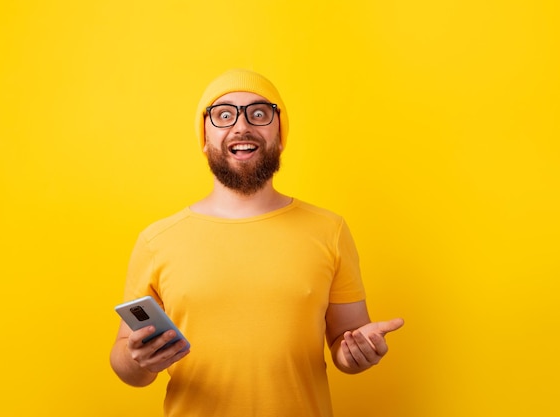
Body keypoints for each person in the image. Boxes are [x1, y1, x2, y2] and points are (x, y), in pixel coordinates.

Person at [110, 68, 404, 417]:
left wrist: (357, 352)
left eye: (259, 113)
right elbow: (126, 360)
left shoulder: (330, 230)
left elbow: (345, 342)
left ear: (280, 136)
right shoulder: (157, 241)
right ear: (204, 139)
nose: (241, 126)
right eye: (223, 115)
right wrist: (138, 360)